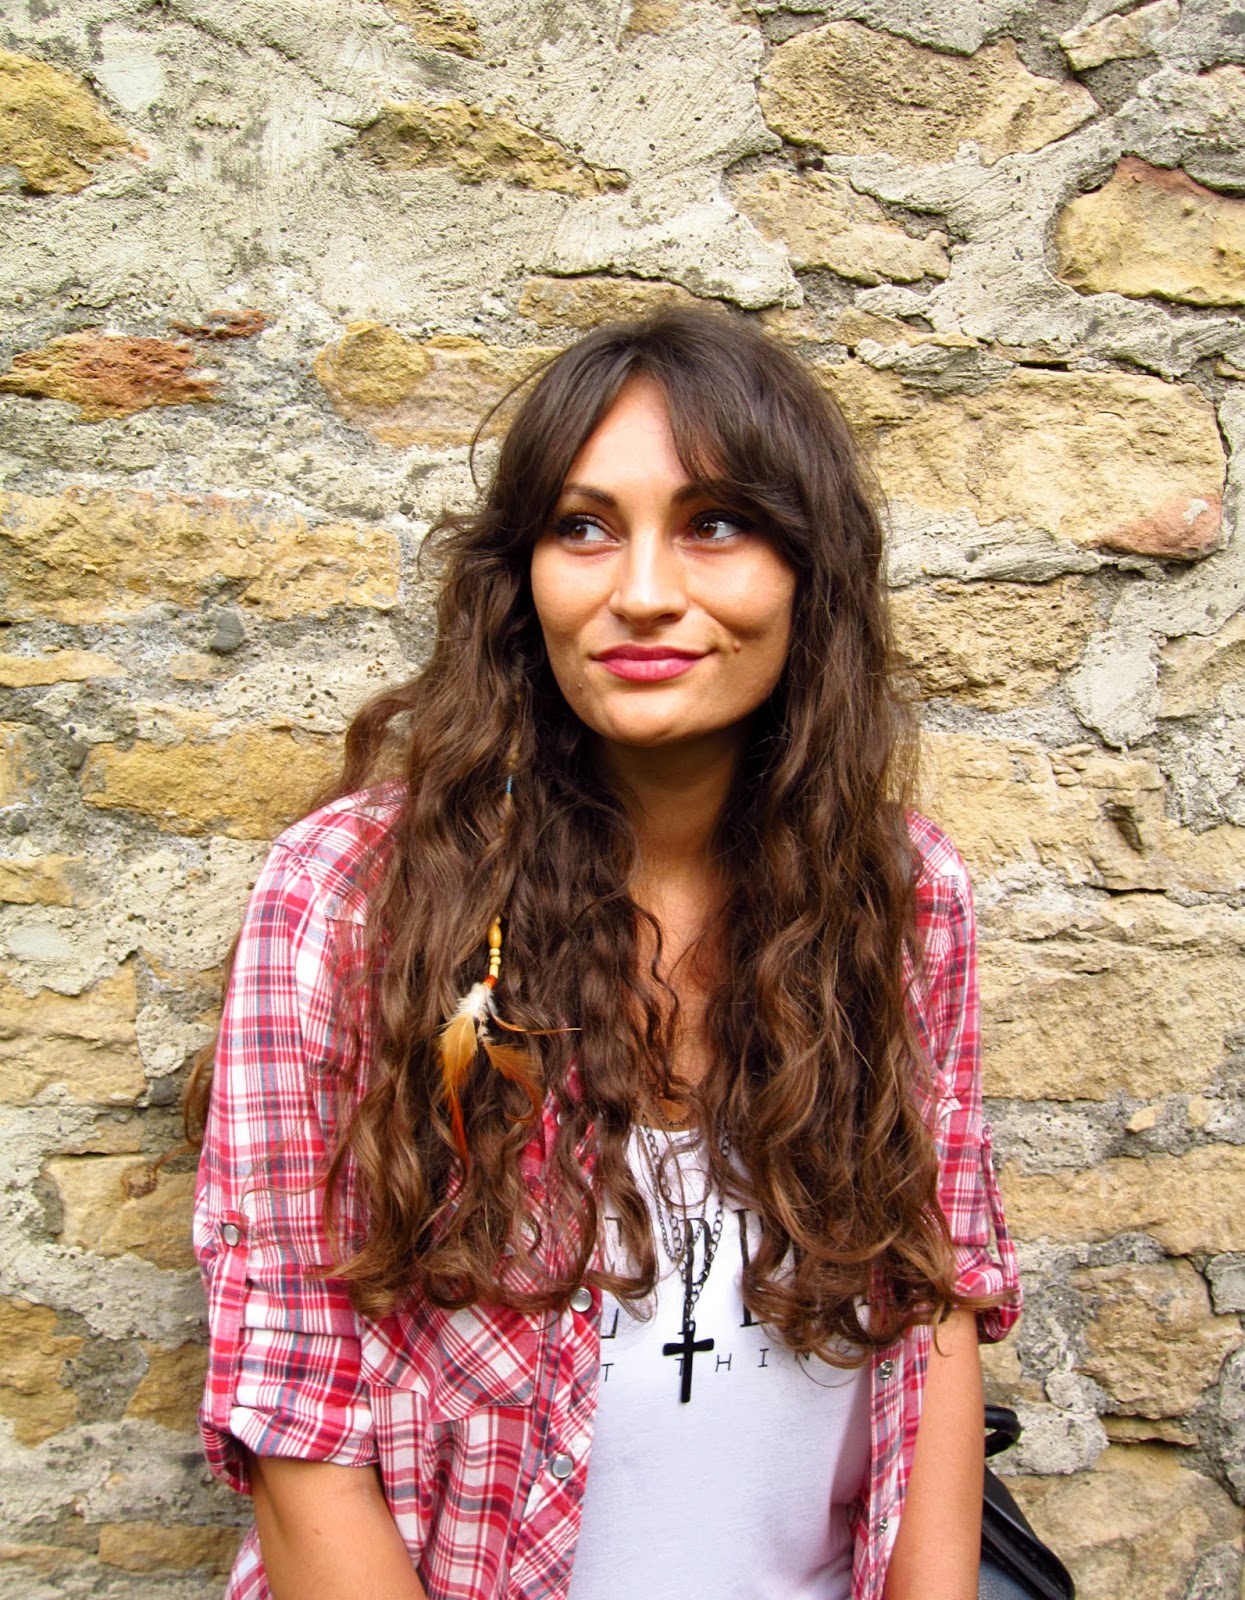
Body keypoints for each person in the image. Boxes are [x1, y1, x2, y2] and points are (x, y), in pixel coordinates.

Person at [191, 305, 1020, 1600]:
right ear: (520, 577)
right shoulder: (353, 903)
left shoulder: (902, 899)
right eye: (582, 527)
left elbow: (936, 1297)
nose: (641, 591)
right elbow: (300, 1420)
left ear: (809, 572)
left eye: (715, 523)